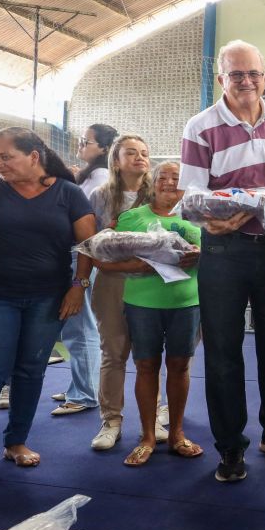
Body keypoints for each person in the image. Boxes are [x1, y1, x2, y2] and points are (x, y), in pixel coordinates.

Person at [179, 39, 265, 484]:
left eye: (253, 73)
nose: (246, 81)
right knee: (222, 353)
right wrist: (213, 219)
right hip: (224, 252)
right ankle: (230, 446)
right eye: (236, 74)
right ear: (222, 78)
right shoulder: (200, 127)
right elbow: (192, 197)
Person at [0, 128, 96, 481]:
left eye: (6, 157)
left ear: (33, 156)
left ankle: (16, 442)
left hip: (48, 297)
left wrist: (78, 287)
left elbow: (88, 245)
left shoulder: (69, 193)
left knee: (31, 371)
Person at [93, 161, 202, 466]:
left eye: (176, 177)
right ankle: (147, 437)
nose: (168, 182)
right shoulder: (131, 217)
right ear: (152, 184)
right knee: (146, 367)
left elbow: (218, 257)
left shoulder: (198, 217)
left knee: (179, 366)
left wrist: (200, 256)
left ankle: (177, 434)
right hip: (142, 303)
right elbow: (102, 258)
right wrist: (139, 266)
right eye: (162, 177)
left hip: (186, 303)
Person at [81, 134, 159, 452]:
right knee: (113, 352)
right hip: (111, 279)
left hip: (150, 280)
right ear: (116, 161)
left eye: (144, 153)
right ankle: (111, 419)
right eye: (131, 153)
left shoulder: (158, 195)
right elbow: (89, 243)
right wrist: (108, 235)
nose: (140, 157)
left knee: (148, 355)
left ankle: (153, 419)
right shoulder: (99, 196)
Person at [51, 123, 119, 419]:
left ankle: (85, 392)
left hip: (83, 255)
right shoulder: (91, 175)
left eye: (86, 141)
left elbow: (85, 219)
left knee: (81, 326)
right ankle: (80, 385)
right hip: (78, 254)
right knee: (76, 325)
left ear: (103, 148)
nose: (80, 145)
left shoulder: (101, 177)